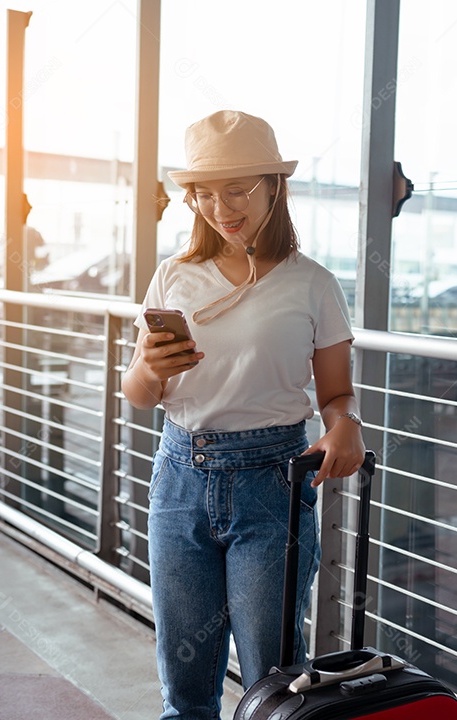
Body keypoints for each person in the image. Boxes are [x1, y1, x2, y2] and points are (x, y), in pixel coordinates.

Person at [121, 109, 366, 720]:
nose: (220, 207)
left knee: (275, 684)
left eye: (236, 189)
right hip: (180, 478)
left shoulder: (314, 284)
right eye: (204, 193)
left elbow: (336, 394)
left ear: (273, 186)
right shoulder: (173, 276)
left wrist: (345, 423)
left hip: (273, 484)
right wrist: (152, 367)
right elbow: (138, 394)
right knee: (185, 690)